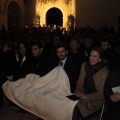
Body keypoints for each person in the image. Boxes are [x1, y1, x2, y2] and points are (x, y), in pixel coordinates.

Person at [72, 47, 109, 120]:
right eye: (90, 55)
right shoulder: (84, 65)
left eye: (95, 56)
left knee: (74, 107)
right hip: (82, 95)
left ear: (100, 59)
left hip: (95, 101)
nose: (91, 58)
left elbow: (101, 94)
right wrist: (78, 91)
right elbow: (80, 82)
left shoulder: (104, 72)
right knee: (67, 103)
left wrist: (86, 96)